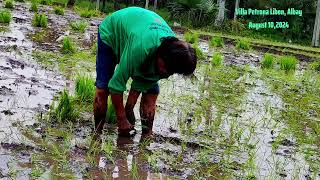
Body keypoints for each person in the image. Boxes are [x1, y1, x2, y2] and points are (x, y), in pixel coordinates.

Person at [93, 7, 197, 136]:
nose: (166, 74)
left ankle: (146, 137)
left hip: (140, 31)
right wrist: (122, 118)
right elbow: (116, 84)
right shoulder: (140, 48)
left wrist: (129, 108)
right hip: (112, 33)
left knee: (151, 93)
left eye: (171, 72)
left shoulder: (174, 53)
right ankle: (96, 135)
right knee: (103, 88)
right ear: (161, 56)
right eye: (166, 69)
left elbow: (145, 80)